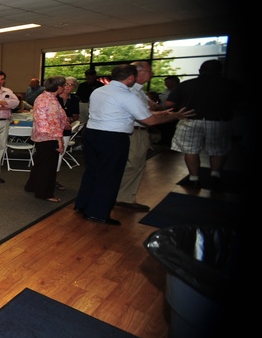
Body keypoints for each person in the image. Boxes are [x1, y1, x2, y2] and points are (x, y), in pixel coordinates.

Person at [75, 64, 192, 225]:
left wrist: (159, 113)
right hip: (112, 137)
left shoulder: (99, 90)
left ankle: (83, 204)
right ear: (131, 78)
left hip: (93, 133)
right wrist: (175, 116)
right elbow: (149, 121)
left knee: (93, 171)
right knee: (109, 176)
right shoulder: (127, 95)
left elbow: (120, 111)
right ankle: (97, 213)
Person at [166, 59, 238, 191]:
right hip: (219, 122)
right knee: (218, 150)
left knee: (190, 149)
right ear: (220, 70)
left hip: (190, 120)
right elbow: (243, 104)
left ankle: (194, 178)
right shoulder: (231, 85)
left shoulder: (187, 84)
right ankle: (215, 175)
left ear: (200, 70)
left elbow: (169, 104)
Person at [114, 61, 157, 212]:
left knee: (138, 165)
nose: (151, 73)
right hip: (133, 131)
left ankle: (126, 197)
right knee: (131, 165)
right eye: (149, 70)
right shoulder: (128, 91)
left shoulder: (139, 91)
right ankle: (119, 196)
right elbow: (141, 115)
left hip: (141, 131)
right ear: (137, 73)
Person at [23, 76, 68, 202]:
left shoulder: (45, 97)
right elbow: (51, 122)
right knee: (48, 167)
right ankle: (44, 193)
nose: (64, 88)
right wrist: (59, 139)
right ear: (58, 87)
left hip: (42, 136)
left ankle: (32, 186)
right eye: (64, 86)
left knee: (40, 163)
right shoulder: (49, 100)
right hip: (48, 137)